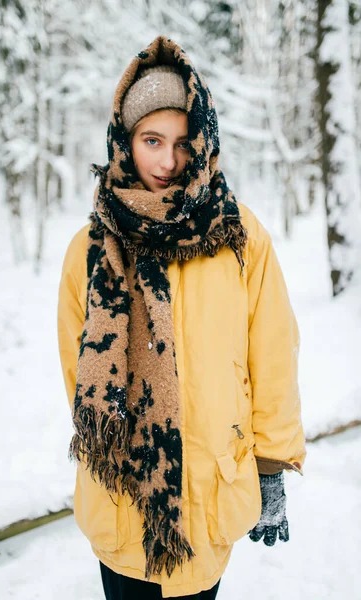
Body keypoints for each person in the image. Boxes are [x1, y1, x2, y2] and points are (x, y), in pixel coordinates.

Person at [57, 35, 306, 600]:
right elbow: (77, 378)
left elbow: (272, 354)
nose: (168, 162)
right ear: (125, 140)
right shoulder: (89, 251)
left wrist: (270, 465)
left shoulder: (239, 235)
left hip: (209, 497)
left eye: (182, 143)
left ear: (204, 142)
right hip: (122, 503)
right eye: (151, 140)